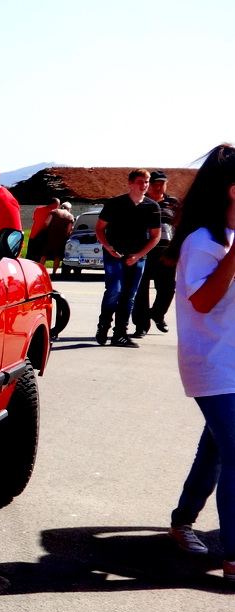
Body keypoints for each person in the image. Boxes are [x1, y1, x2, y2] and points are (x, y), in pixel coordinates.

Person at [164, 143, 235, 582]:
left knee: (216, 448)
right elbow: (204, 301)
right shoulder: (202, 241)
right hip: (211, 363)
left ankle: (182, 521)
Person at [95, 169, 161, 347]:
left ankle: (120, 333)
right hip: (114, 254)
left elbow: (155, 236)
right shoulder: (115, 203)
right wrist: (108, 248)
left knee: (129, 295)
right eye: (140, 182)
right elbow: (100, 228)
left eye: (146, 182)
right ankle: (103, 326)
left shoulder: (152, 207)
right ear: (130, 183)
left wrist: (139, 255)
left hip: (137, 257)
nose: (144, 185)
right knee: (114, 290)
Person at [132, 170, 182, 336]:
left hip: (167, 253)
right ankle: (141, 325)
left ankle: (158, 314)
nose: (159, 187)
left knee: (168, 289)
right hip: (143, 252)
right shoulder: (140, 202)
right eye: (155, 184)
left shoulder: (173, 203)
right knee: (140, 291)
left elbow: (182, 227)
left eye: (162, 184)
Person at [40, 201, 75, 276]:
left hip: (50, 236)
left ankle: (40, 271)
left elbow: (47, 222)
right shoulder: (70, 216)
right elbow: (69, 230)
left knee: (44, 254)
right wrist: (67, 237)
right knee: (57, 256)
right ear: (69, 209)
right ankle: (54, 272)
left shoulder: (54, 212)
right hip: (61, 238)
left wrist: (45, 230)